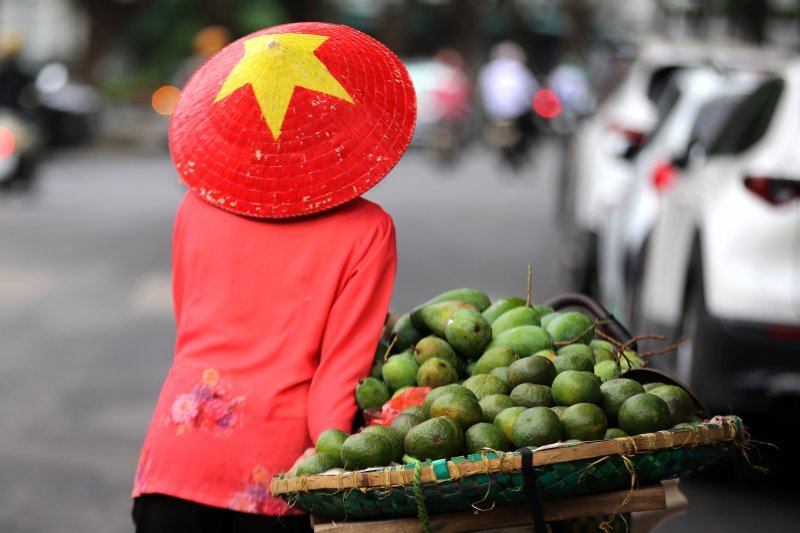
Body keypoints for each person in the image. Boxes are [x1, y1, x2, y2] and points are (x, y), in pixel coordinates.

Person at [131, 22, 417, 532]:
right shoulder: (368, 230)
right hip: (276, 483)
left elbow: (189, 326)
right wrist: (343, 476)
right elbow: (338, 378)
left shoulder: (196, 209)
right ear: (340, 123)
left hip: (173, 461)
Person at [477, 41, 540, 168]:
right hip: (514, 112)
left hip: (494, 111)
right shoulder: (519, 69)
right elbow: (531, 91)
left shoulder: (489, 69)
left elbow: (482, 90)